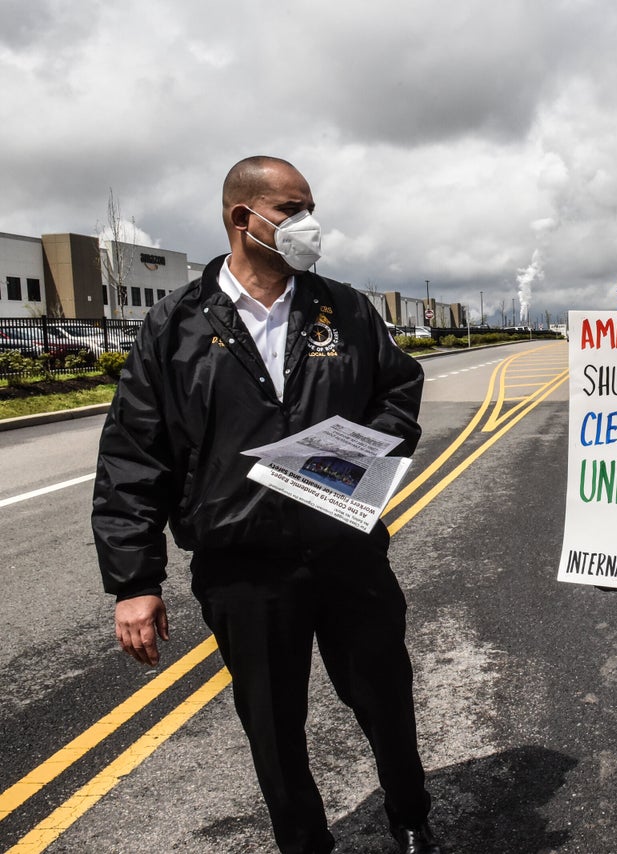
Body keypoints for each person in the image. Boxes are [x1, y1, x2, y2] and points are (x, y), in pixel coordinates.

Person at [92, 156, 439, 854]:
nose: (309, 224)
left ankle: (410, 819)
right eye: (292, 209)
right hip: (242, 569)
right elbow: (135, 453)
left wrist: (355, 455)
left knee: (385, 700)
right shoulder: (177, 325)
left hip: (345, 550)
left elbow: (398, 391)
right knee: (273, 729)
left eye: (310, 207)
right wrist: (134, 582)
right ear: (241, 220)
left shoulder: (342, 307)